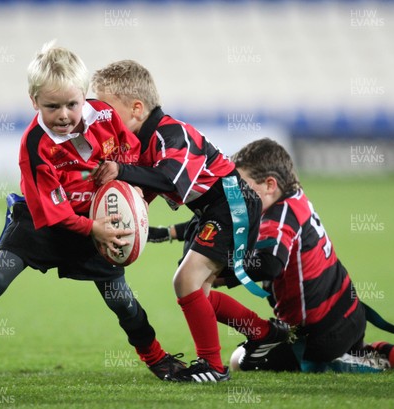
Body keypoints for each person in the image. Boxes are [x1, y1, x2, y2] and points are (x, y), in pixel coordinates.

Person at [0, 42, 186, 385]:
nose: (65, 114)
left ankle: (157, 359)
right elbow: (52, 212)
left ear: (84, 95)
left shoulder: (106, 116)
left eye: (72, 103)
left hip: (97, 215)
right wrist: (93, 228)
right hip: (46, 223)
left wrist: (131, 190)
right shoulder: (34, 145)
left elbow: (131, 152)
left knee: (121, 299)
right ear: (33, 101)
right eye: (53, 106)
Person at [90, 60, 292, 383]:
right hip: (213, 208)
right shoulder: (144, 143)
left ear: (137, 109)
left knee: (186, 282)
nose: (102, 118)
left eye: (107, 111)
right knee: (201, 291)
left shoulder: (172, 134)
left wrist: (122, 171)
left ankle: (213, 366)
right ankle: (265, 332)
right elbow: (143, 191)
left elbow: (170, 179)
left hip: (232, 203)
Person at [222, 138, 394, 372]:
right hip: (347, 312)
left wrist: (221, 272)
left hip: (322, 332)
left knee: (243, 360)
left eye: (243, 187)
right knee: (257, 351)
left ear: (270, 184)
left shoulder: (278, 218)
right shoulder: (295, 197)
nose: (237, 195)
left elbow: (269, 264)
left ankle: (350, 364)